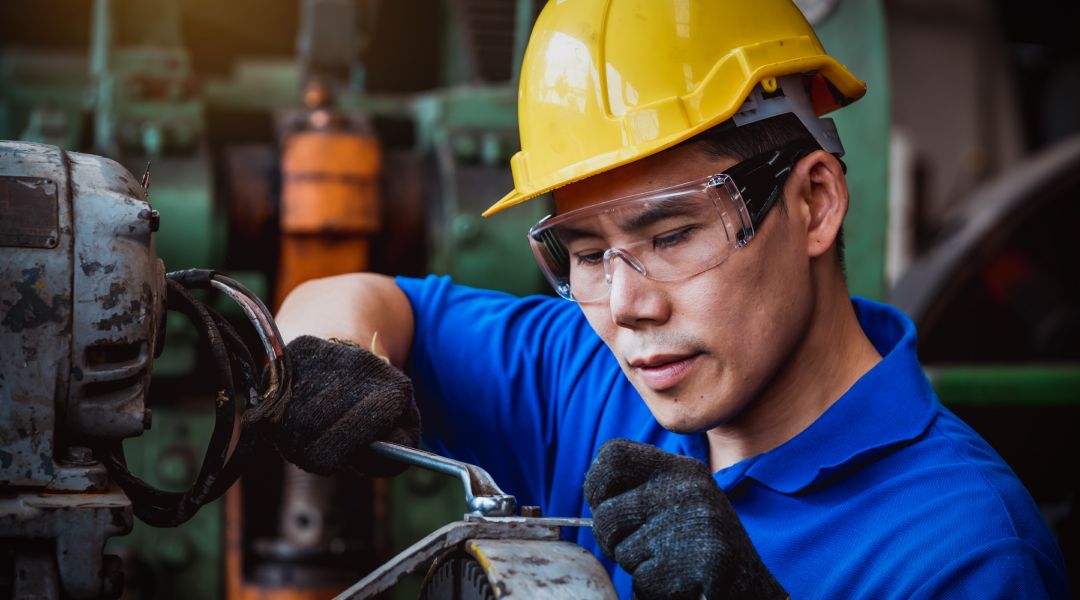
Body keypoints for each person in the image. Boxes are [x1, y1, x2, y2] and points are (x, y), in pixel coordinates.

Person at [259, 0, 1071, 597]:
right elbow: (344, 296)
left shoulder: (964, 553)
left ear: (815, 202)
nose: (626, 306)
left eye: (674, 236)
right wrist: (330, 361)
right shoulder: (587, 375)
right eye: (586, 254)